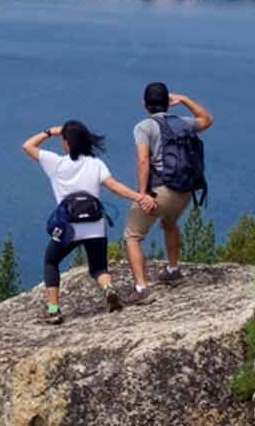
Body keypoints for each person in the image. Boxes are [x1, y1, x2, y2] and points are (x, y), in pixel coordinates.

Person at [22, 120, 157, 324]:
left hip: (69, 228)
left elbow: (28, 146)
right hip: (95, 226)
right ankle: (109, 291)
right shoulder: (96, 164)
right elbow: (114, 186)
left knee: (51, 261)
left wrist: (50, 132)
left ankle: (53, 309)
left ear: (67, 142)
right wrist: (140, 197)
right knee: (98, 267)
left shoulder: (56, 163)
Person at [123, 82, 213, 305]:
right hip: (183, 191)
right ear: (168, 103)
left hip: (160, 191)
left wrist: (142, 194)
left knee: (132, 236)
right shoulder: (183, 122)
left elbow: (143, 160)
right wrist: (184, 99)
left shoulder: (143, 127)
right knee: (169, 223)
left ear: (145, 104)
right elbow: (207, 119)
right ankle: (172, 270)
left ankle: (142, 289)